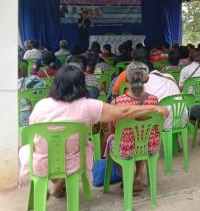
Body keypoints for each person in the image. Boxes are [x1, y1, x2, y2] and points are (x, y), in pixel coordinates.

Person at [18, 65, 169, 197]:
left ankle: (57, 184)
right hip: (73, 160)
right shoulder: (89, 105)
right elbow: (123, 112)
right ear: (81, 84)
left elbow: (32, 129)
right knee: (87, 147)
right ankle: (62, 183)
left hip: (40, 160)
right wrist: (153, 107)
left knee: (31, 149)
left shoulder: (41, 105)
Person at [106, 62, 165, 194]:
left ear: (126, 78)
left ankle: (128, 177)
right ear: (146, 78)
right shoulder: (154, 101)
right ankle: (138, 174)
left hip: (126, 149)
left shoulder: (117, 102)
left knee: (111, 141)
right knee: (144, 137)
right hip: (150, 148)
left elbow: (112, 129)